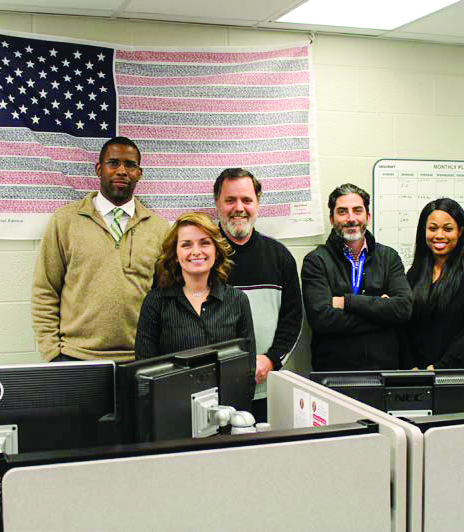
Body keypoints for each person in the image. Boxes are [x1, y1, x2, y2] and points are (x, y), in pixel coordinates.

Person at [31, 136, 170, 362]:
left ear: (139, 173)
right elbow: (45, 290)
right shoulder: (65, 221)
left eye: (130, 165)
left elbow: (165, 297)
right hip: (75, 357)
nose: (122, 171)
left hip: (140, 359)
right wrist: (51, 353)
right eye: (113, 163)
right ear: (99, 169)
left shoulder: (158, 228)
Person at [134, 212, 256, 398]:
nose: (196, 251)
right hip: (172, 411)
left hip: (225, 412)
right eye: (186, 245)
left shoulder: (237, 301)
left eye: (204, 243)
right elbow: (144, 374)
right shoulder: (155, 302)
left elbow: (248, 369)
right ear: (175, 254)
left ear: (216, 249)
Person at [213, 168, 302, 421]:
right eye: (230, 200)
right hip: (211, 392)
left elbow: (292, 318)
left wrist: (272, 359)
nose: (238, 207)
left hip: (265, 387)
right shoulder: (202, 256)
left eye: (246, 200)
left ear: (257, 203)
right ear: (217, 203)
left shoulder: (279, 256)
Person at [301, 183, 412, 371]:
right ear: (331, 218)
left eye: (357, 211)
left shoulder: (388, 257)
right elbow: (321, 319)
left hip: (384, 370)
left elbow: (403, 309)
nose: (351, 218)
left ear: (367, 216)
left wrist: (346, 302)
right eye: (342, 211)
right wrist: (381, 312)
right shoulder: (316, 261)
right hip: (333, 372)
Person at [405, 197, 464, 370]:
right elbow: (406, 326)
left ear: (460, 231)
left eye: (448, 229)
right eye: (432, 228)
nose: (439, 235)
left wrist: (440, 367)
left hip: (455, 374)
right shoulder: (414, 273)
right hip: (417, 374)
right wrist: (410, 365)